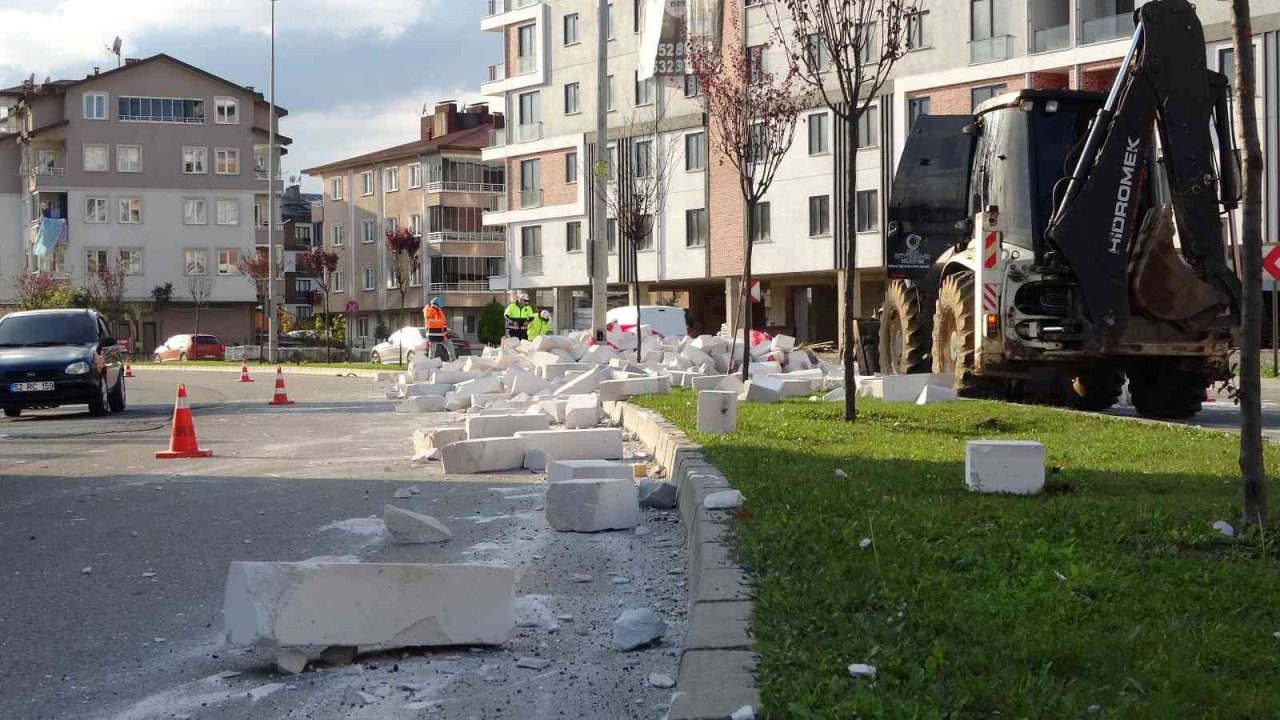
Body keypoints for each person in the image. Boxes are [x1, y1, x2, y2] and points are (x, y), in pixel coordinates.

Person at [422, 296, 456, 361]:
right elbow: (429, 315)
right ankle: (430, 364)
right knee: (432, 351)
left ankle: (453, 361)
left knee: (450, 345)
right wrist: (433, 307)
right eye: (438, 305)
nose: (439, 307)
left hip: (441, 334)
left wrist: (445, 333)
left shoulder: (439, 311)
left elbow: (443, 322)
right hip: (432, 334)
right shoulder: (429, 309)